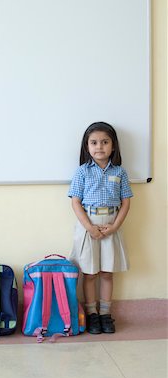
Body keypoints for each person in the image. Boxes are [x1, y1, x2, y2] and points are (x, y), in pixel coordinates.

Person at [68, 122, 133, 334]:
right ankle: (92, 314)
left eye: (105, 142)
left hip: (111, 226)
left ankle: (105, 314)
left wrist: (114, 226)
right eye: (94, 142)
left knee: (106, 272)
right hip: (89, 226)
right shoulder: (82, 171)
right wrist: (89, 227)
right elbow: (76, 202)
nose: (99, 147)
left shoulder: (120, 172)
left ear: (113, 146)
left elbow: (126, 202)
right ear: (87, 147)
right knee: (90, 273)